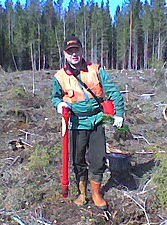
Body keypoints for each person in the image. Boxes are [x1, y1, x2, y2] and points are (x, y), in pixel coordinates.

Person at [51, 35, 125, 210]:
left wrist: (119, 114)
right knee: (77, 160)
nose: (74, 54)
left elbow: (114, 92)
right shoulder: (59, 76)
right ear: (65, 54)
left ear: (82, 50)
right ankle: (82, 193)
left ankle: (96, 193)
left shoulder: (96, 70)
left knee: (98, 159)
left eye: (76, 50)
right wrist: (60, 104)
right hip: (75, 124)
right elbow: (55, 97)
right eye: (70, 52)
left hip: (96, 121)